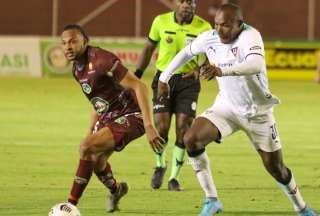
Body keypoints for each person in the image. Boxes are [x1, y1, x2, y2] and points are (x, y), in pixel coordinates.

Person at [157, 3, 318, 216]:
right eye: (216, 24)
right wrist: (163, 78)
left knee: (276, 168)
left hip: (258, 113)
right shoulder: (210, 37)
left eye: (225, 25)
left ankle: (302, 208)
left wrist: (221, 70)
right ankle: (212, 200)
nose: (219, 29)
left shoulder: (250, 36)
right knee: (191, 139)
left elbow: (255, 65)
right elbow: (186, 53)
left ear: (239, 24)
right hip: (227, 107)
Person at [60, 24, 164, 212]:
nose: (68, 46)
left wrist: (149, 125)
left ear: (85, 42)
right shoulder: (77, 69)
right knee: (97, 162)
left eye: (73, 41)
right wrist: (90, 130)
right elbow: (97, 102)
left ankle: (69, 207)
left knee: (85, 147)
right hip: (109, 116)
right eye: (64, 43)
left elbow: (140, 86)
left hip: (132, 114)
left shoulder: (102, 60)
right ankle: (117, 190)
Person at [135, 0, 212, 191]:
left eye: (191, 2)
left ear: (195, 5)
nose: (186, 5)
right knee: (161, 127)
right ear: (176, 4)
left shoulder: (204, 27)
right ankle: (160, 165)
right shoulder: (160, 21)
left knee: (183, 128)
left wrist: (198, 67)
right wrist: (136, 75)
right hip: (163, 80)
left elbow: (211, 54)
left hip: (188, 82)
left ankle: (173, 178)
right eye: (182, 1)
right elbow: (148, 48)